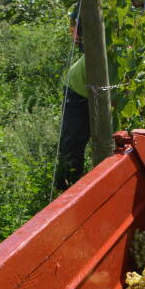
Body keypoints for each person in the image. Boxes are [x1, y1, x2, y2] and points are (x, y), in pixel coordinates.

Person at [55, 54, 89, 191]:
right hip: (78, 91)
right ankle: (66, 188)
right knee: (74, 141)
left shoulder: (128, 52)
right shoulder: (113, 48)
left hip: (92, 90)